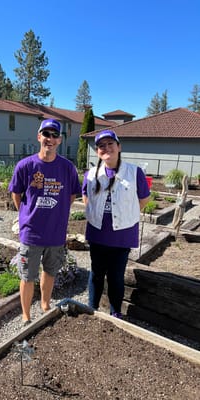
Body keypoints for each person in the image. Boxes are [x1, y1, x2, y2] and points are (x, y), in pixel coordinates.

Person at [9, 118, 81, 325]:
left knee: (50, 272)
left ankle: (45, 304)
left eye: (54, 135)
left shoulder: (67, 168)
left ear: (59, 140)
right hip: (31, 233)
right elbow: (16, 195)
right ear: (39, 136)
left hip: (56, 233)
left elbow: (71, 196)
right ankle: (25, 314)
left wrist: (58, 215)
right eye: (46, 134)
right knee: (27, 276)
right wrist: (26, 215)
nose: (49, 139)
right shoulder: (25, 165)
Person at [82, 130, 150, 318]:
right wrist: (95, 214)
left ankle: (115, 313)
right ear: (97, 152)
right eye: (101, 146)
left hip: (122, 235)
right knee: (96, 274)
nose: (106, 148)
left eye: (110, 144)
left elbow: (143, 199)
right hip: (98, 233)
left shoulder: (134, 172)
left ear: (119, 147)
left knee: (116, 276)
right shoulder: (91, 174)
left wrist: (125, 215)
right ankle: (92, 308)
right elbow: (85, 195)